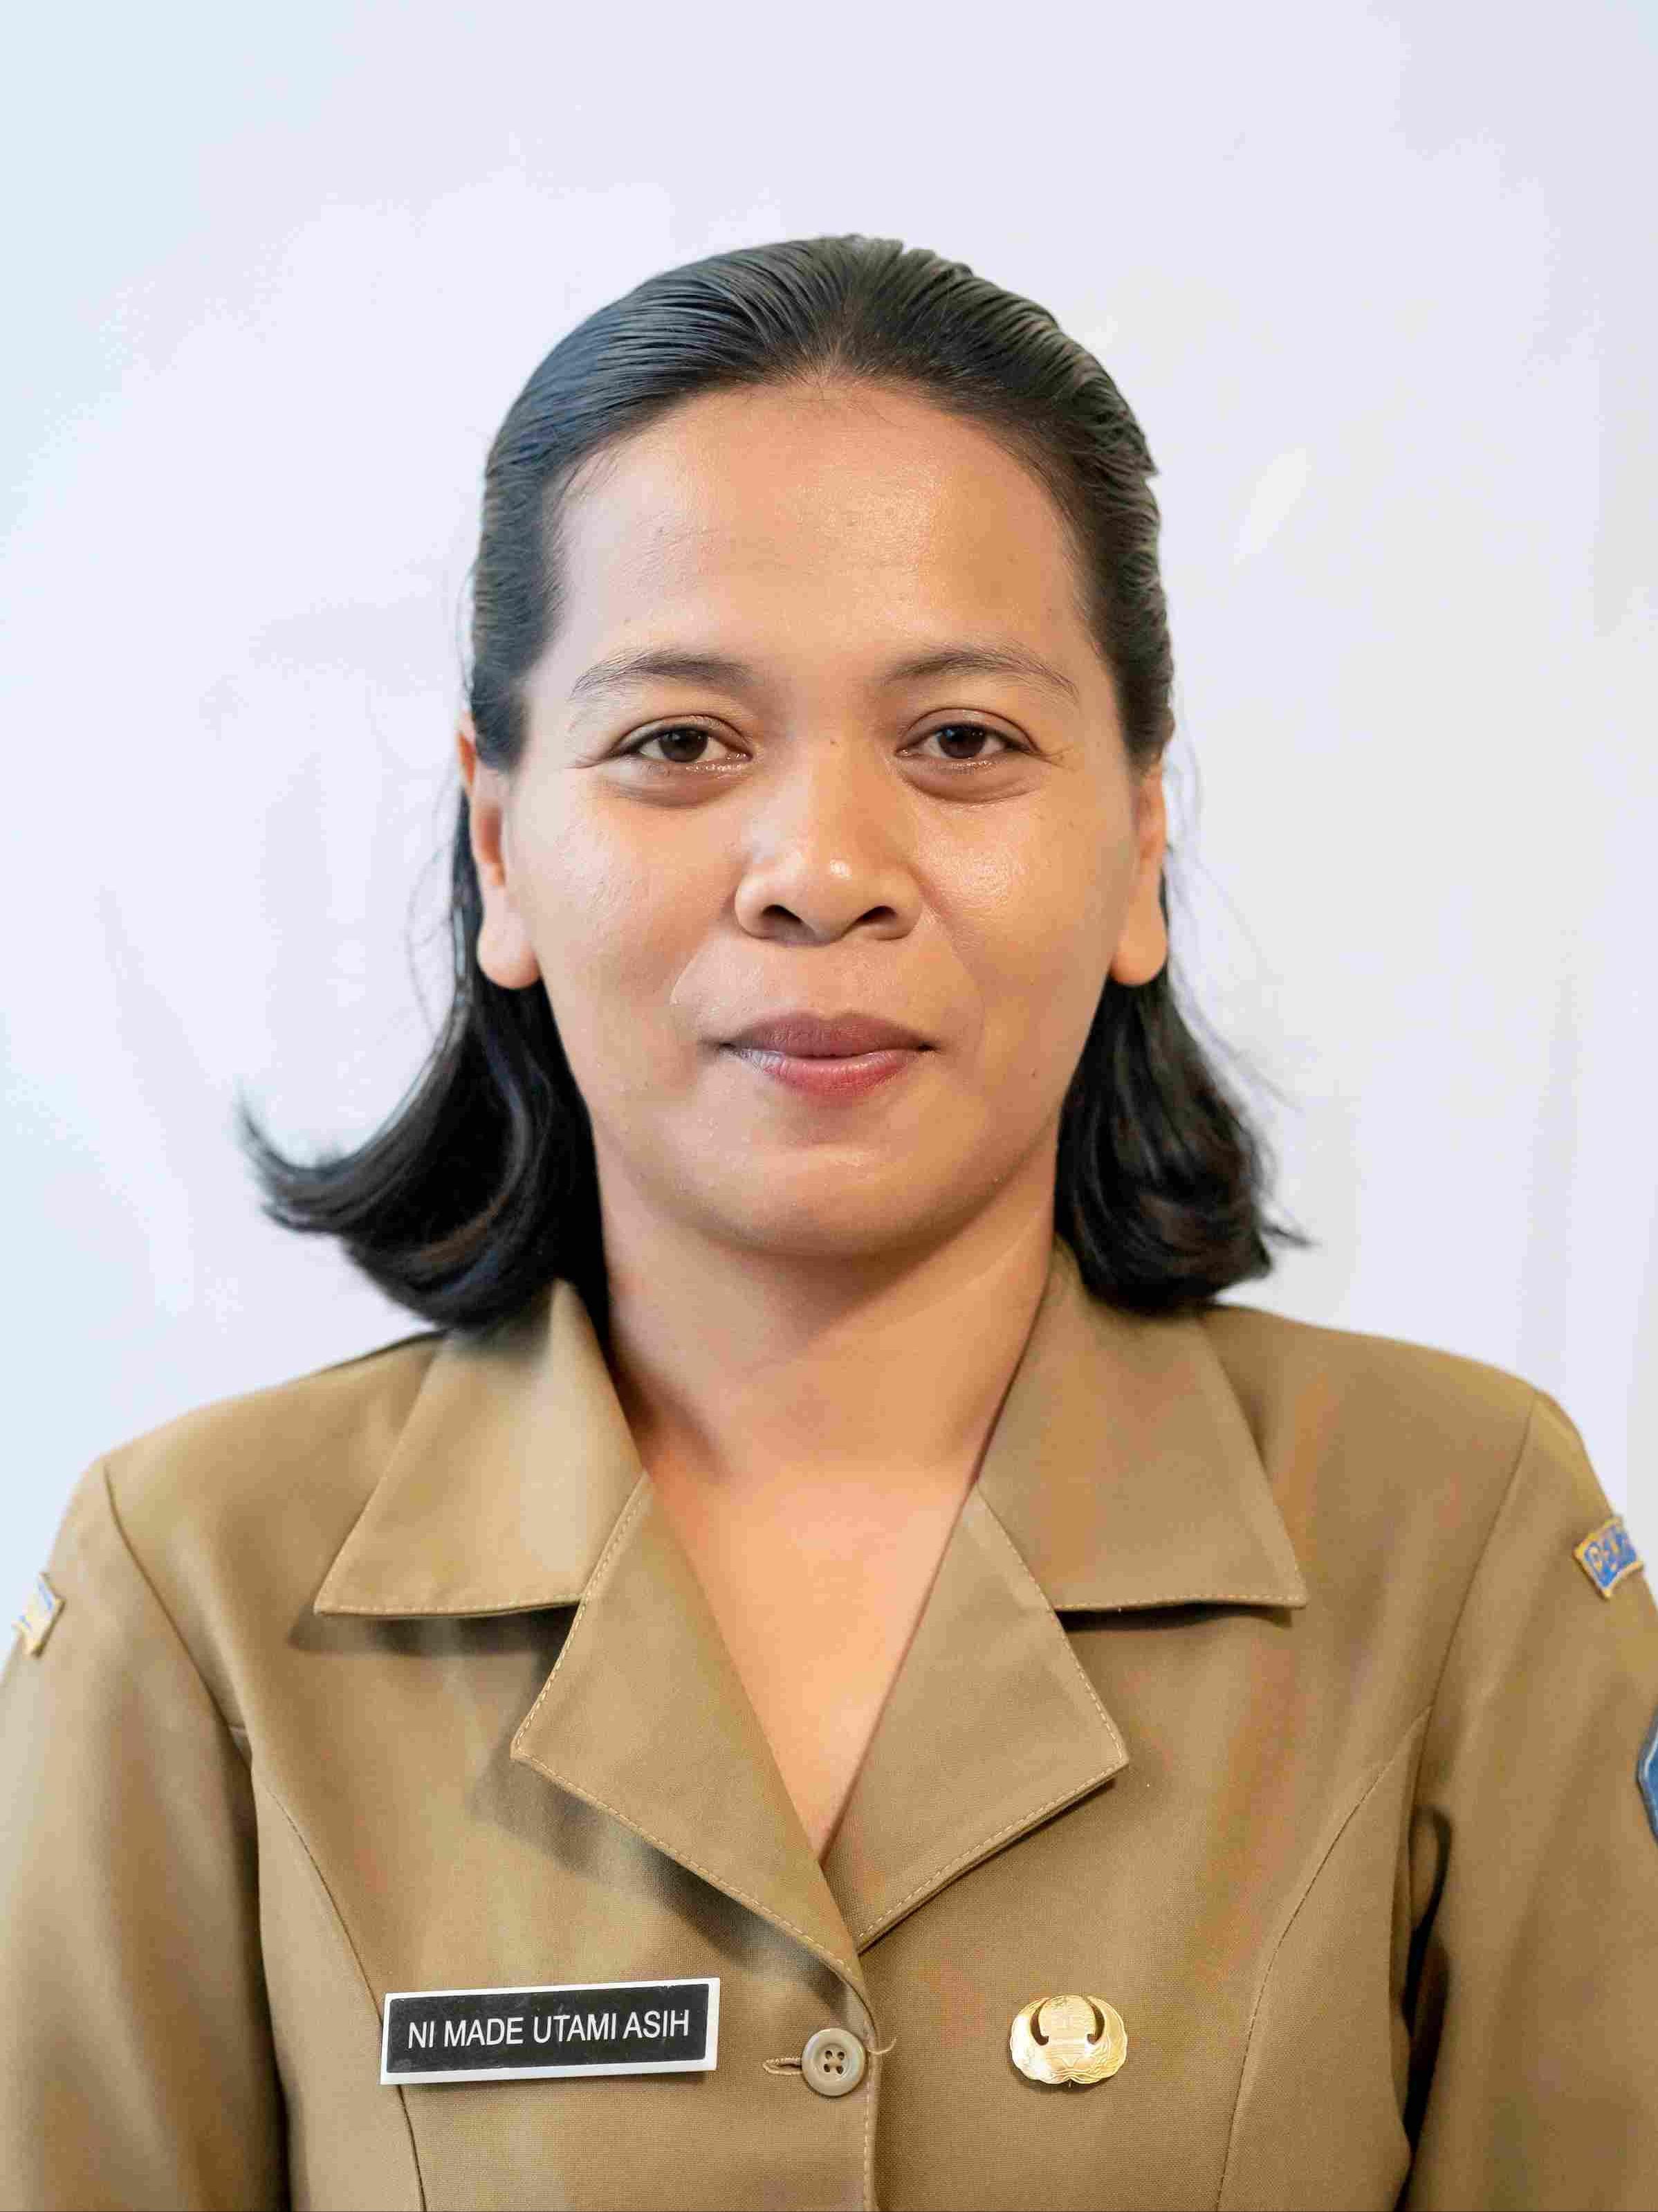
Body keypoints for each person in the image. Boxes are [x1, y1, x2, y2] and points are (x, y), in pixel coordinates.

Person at [2, 233, 1654, 2212]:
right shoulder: (195, 1592)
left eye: (962, 741)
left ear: (1141, 839)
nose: (822, 869)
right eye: (679, 743)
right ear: (501, 845)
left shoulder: (1463, 1543)